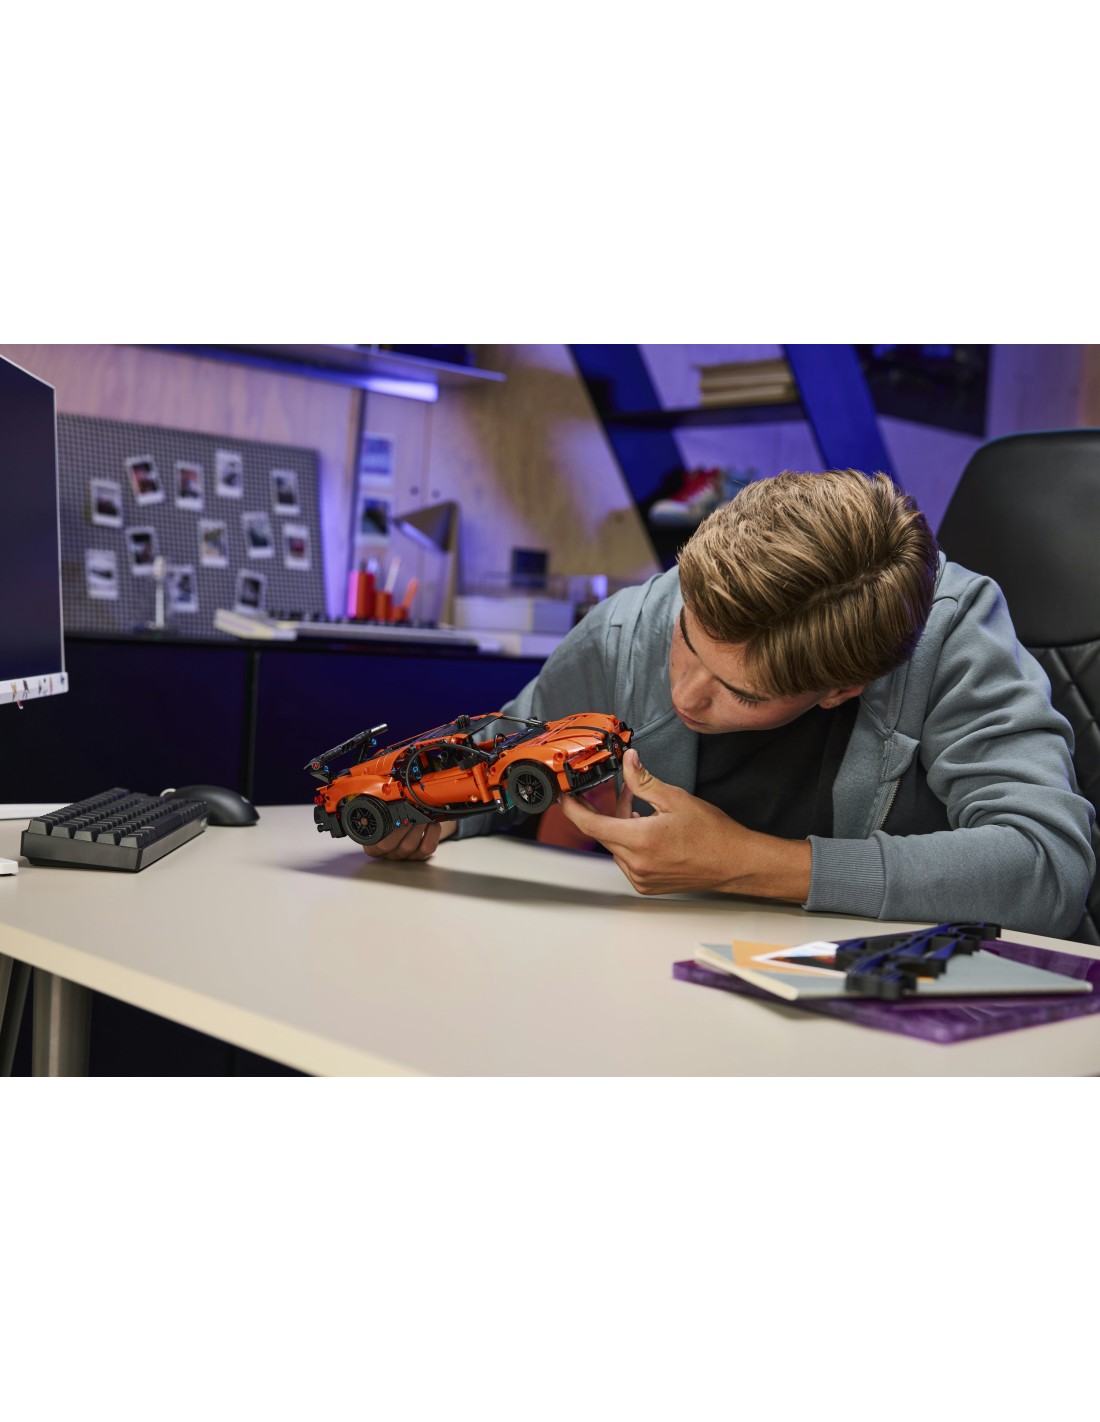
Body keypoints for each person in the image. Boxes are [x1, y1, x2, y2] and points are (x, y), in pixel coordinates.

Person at [363, 468, 1096, 939]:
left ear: (842, 689)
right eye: (688, 640)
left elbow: (1048, 867)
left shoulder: (955, 638)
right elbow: (497, 762)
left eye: (742, 690)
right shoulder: (633, 625)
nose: (685, 692)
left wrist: (750, 864)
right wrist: (425, 817)